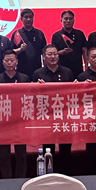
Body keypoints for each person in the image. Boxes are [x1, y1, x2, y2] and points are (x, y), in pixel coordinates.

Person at [32, 44, 74, 174]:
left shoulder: (67, 72)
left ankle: (65, 174)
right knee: (48, 148)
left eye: (55, 54)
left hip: (64, 115)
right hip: (47, 115)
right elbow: (33, 96)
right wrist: (37, 87)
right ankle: (48, 174)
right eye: (49, 54)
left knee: (65, 148)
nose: (53, 57)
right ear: (44, 57)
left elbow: (74, 92)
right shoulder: (38, 73)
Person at [0, 50, 30, 178]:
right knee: (4, 156)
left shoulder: (24, 78)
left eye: (12, 60)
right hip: (2, 122)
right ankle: (6, 181)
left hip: (20, 121)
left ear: (16, 62)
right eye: (6, 60)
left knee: (21, 155)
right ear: (2, 62)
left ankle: (20, 180)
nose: (9, 63)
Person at [9, 8, 47, 79]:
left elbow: (44, 53)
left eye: (30, 17)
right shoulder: (17, 33)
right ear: (21, 19)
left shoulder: (39, 33)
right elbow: (11, 53)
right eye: (26, 17)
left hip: (37, 70)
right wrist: (20, 49)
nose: (28, 19)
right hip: (21, 71)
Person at [51, 10, 87, 79]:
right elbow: (53, 53)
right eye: (66, 19)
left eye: (70, 19)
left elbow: (84, 52)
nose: (68, 21)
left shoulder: (80, 34)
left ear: (74, 20)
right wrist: (62, 52)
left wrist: (86, 67)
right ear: (61, 20)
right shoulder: (56, 35)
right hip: (61, 70)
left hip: (78, 69)